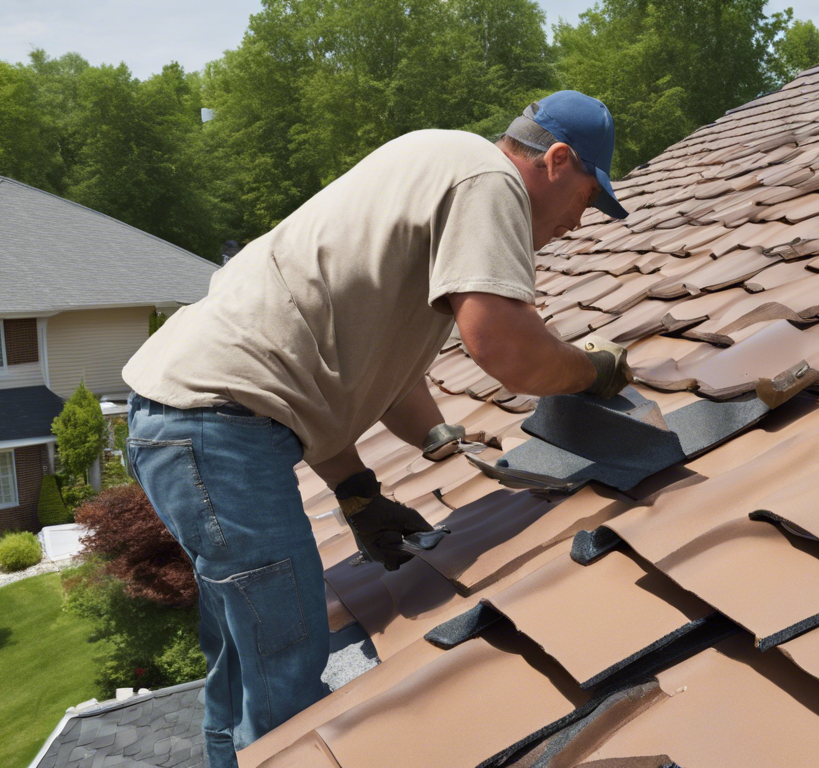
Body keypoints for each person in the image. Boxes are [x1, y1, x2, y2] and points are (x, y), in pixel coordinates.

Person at [120, 90, 634, 768]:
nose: (577, 225)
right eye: (586, 200)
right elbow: (507, 349)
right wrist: (592, 371)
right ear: (557, 160)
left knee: (243, 669)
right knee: (287, 685)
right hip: (216, 429)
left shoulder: (440, 162)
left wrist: (359, 490)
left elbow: (362, 369)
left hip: (187, 420)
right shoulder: (489, 182)